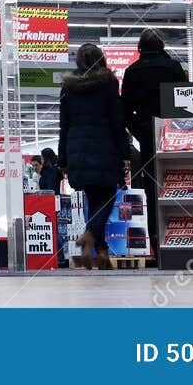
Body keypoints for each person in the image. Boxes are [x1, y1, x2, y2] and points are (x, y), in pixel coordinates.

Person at [58, 43, 129, 269]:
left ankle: (100, 251)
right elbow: (117, 121)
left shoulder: (69, 87)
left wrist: (63, 160)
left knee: (93, 199)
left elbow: (64, 125)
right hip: (104, 148)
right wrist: (125, 152)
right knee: (107, 196)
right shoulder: (108, 84)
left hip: (77, 150)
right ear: (101, 60)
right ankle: (89, 237)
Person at [120, 28, 187, 254]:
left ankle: (157, 245)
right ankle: (179, 239)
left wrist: (139, 132)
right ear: (162, 46)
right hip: (176, 138)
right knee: (177, 186)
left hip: (148, 137)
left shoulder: (132, 72)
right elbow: (186, 104)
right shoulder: (175, 68)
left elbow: (125, 111)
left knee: (152, 190)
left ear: (140, 47)